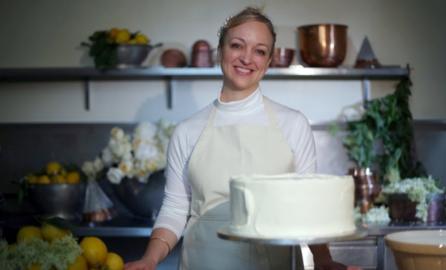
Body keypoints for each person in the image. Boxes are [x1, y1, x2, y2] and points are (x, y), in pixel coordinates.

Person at [125, 7, 359, 270]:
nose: (247, 58)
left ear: (268, 62)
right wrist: (150, 259)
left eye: (259, 51)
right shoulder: (187, 131)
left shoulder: (292, 124)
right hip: (205, 260)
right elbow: (175, 208)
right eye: (237, 45)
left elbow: (306, 206)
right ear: (220, 51)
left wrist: (323, 260)